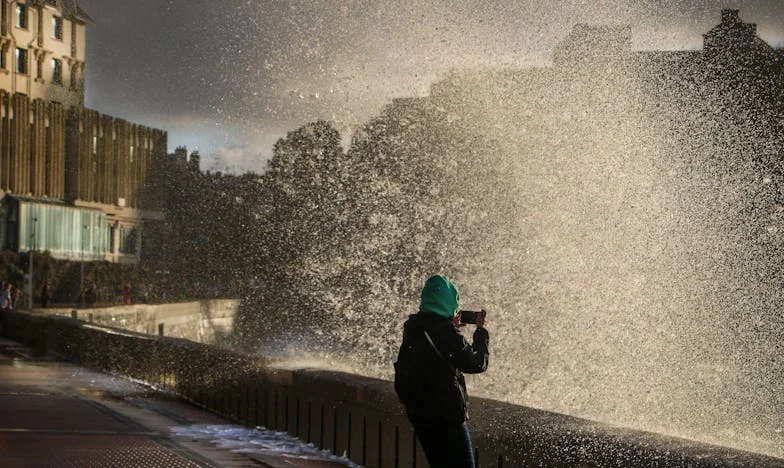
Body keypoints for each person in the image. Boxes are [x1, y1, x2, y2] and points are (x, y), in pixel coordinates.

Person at [394, 275, 490, 468]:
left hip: (419, 413)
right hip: (444, 416)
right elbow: (476, 363)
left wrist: (449, 327)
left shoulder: (414, 326)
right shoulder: (445, 333)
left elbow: (429, 355)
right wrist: (481, 331)